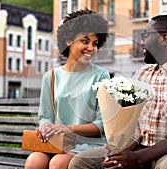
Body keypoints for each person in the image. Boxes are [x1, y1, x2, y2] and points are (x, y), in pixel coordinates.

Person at [68, 15, 167, 169]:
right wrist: (118, 154)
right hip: (139, 149)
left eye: (145, 35)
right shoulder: (143, 74)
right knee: (81, 161)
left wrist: (138, 157)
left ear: (163, 38)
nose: (141, 42)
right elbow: (134, 126)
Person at [25, 8, 110, 169]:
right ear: (68, 41)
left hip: (90, 144)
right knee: (34, 161)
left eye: (95, 43)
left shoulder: (101, 76)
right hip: (59, 142)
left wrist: (66, 128)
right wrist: (46, 128)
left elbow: (102, 125)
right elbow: (45, 116)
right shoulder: (51, 76)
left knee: (58, 164)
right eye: (85, 41)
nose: (91, 48)